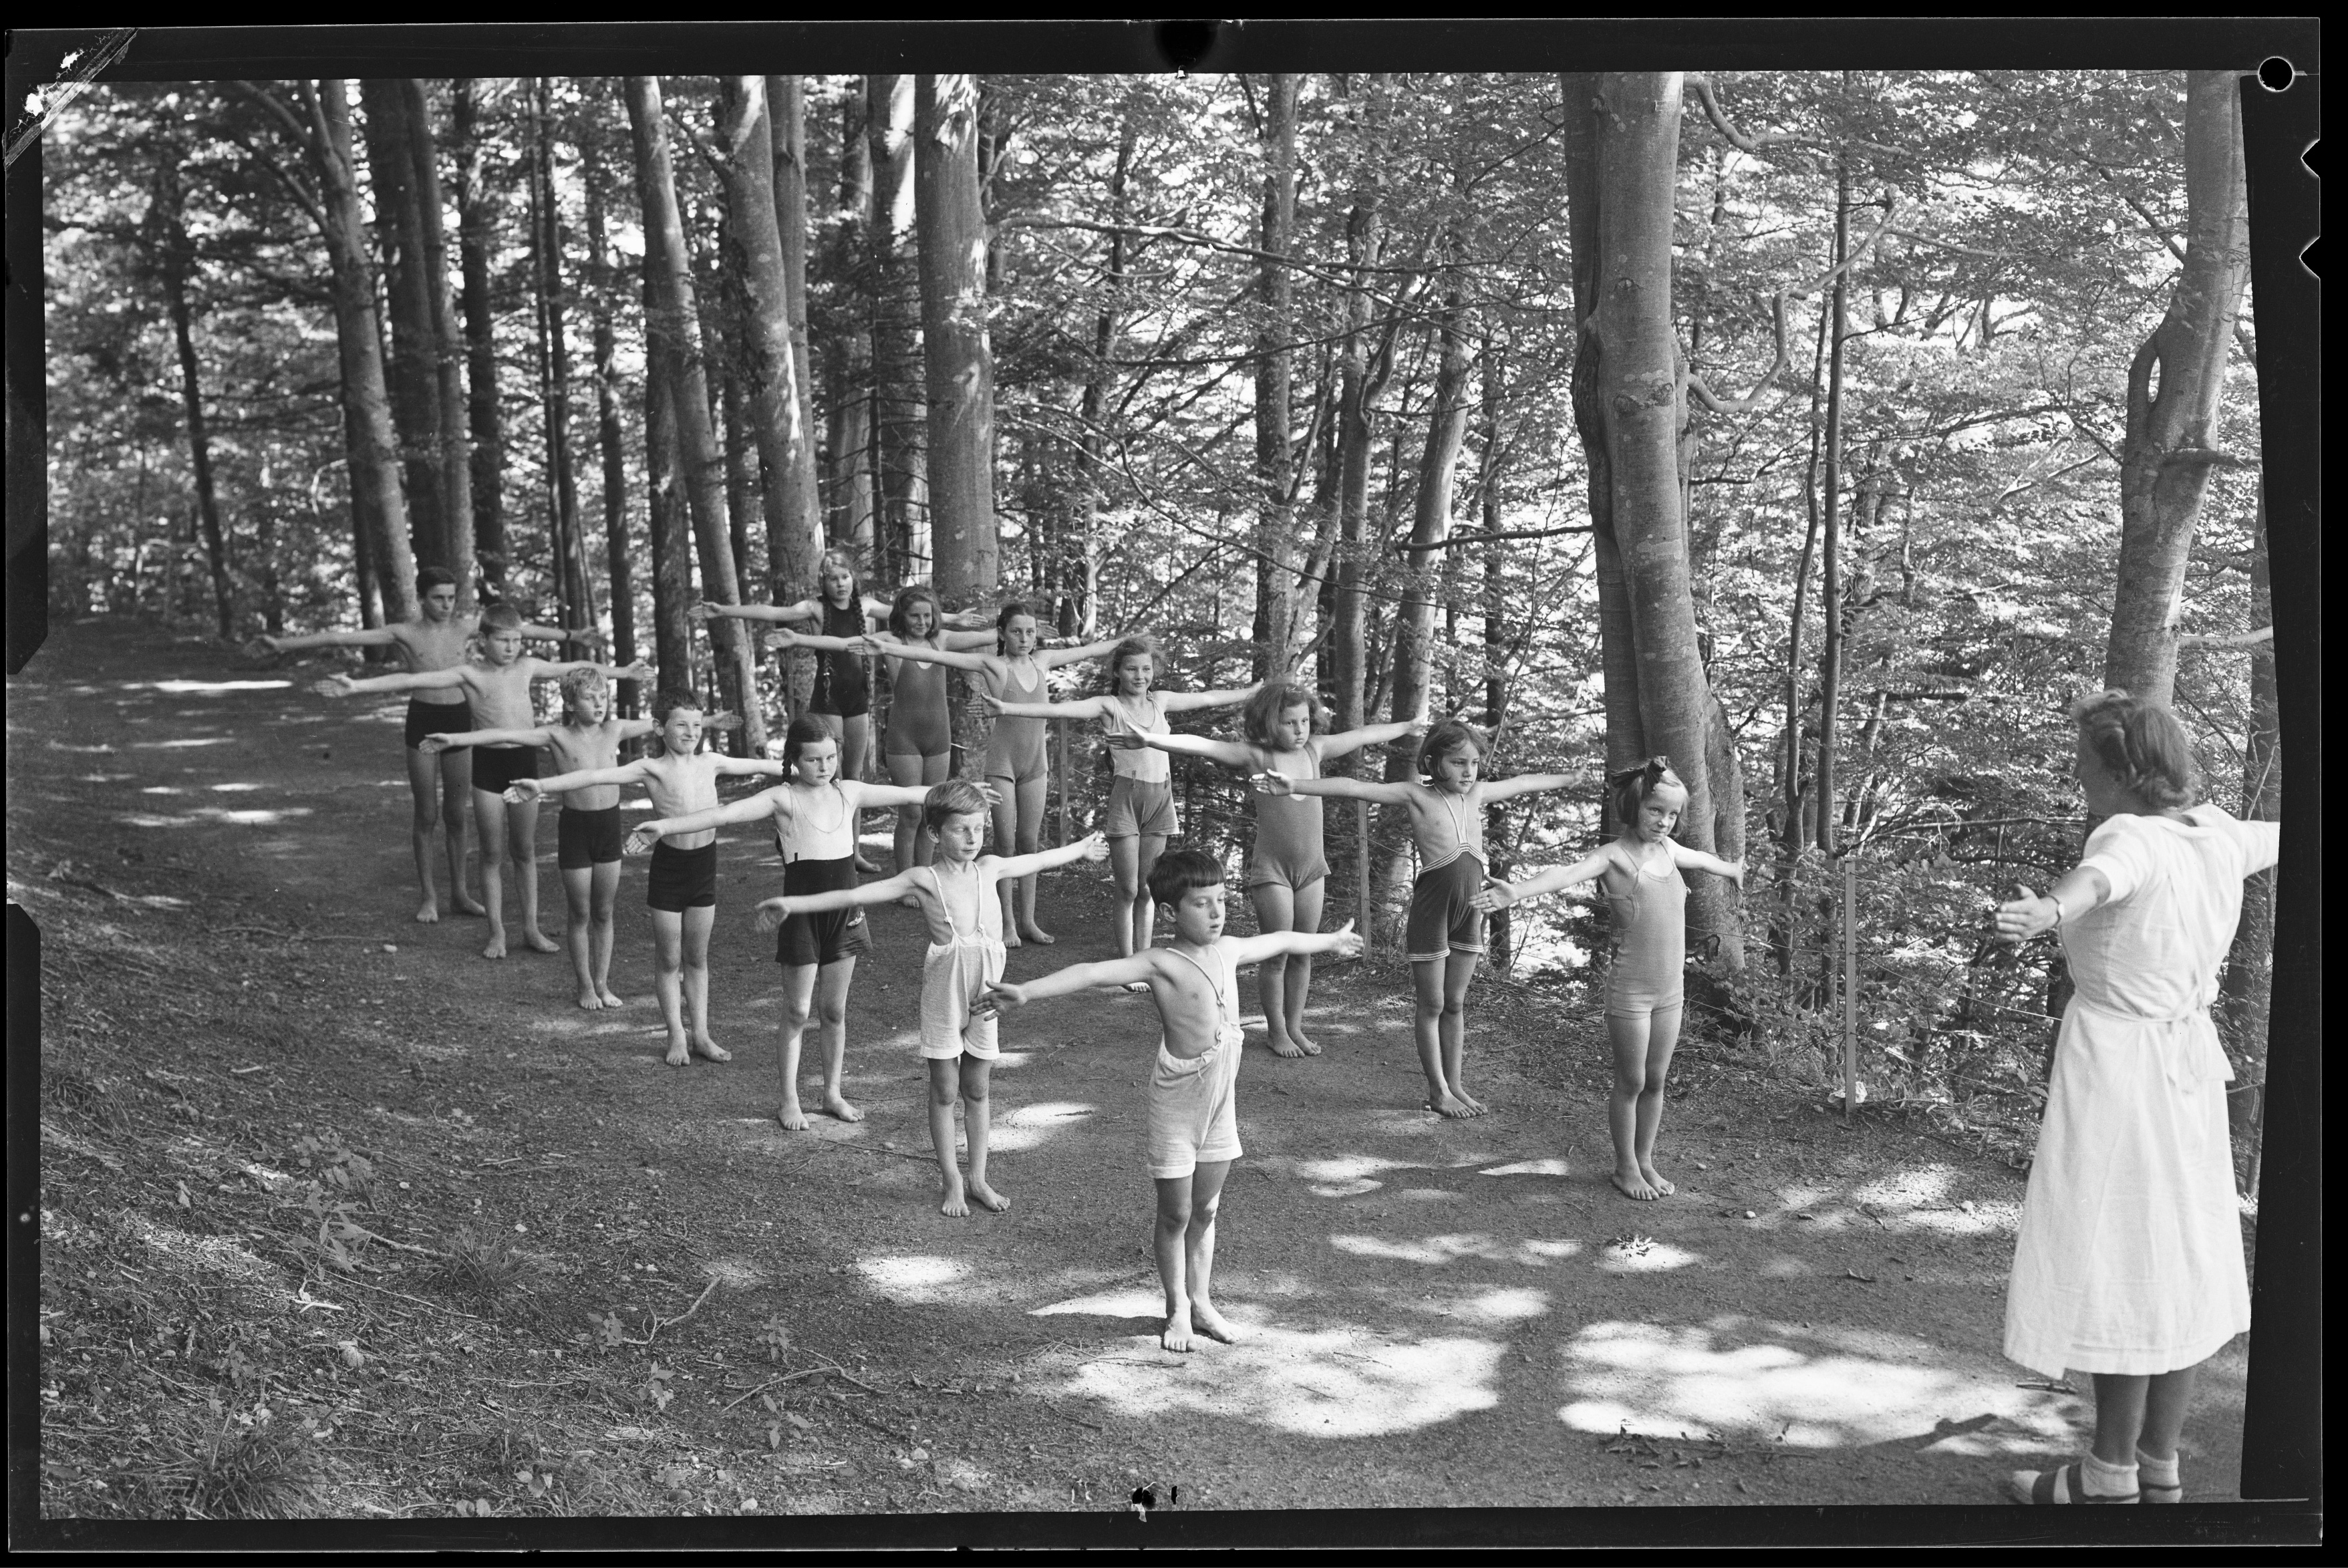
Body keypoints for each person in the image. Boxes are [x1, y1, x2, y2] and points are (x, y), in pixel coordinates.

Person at [1991, 689, 2279, 1506]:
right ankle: (2158, 1464)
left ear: (2120, 771)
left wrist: (2046, 908)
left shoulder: (2126, 832)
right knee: (2183, 1255)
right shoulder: (2216, 832)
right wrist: (2055, 905)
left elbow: (2100, 877)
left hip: (2120, 1069)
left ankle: (2109, 1475)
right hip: (2186, 1072)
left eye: (2086, 762)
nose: (2077, 774)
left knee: (2122, 1253)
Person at [980, 848, 1364, 1351]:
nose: (1217, 912)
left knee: (1206, 1209)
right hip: (1179, 1102)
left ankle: (1202, 1301)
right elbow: (1093, 971)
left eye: (1221, 900)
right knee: (1176, 1214)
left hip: (1219, 1102)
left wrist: (1331, 940)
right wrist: (1027, 992)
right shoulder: (1160, 962)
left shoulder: (1227, 950)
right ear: (1170, 912)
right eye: (1202, 904)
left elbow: (1281, 939)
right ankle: (1177, 1307)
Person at [757, 782, 1109, 1216]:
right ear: (936, 832)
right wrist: (793, 903)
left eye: (978, 828)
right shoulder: (922, 879)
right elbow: (853, 895)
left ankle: (978, 1176)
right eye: (961, 829)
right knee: (945, 1090)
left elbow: (1038, 858)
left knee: (978, 1087)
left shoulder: (992, 868)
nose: (972, 838)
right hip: (944, 999)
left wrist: (1081, 848)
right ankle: (953, 1181)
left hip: (987, 997)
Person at [627, 716, 980, 1131]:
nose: (824, 767)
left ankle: (832, 1092)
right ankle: (789, 1099)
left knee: (833, 1010)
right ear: (794, 760)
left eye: (830, 758)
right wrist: (663, 826)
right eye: (813, 760)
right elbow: (723, 815)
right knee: (796, 1011)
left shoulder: (849, 792)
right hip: (802, 916)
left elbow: (911, 792)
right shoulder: (783, 798)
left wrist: (966, 795)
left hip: (845, 914)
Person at [1258, 718, 1574, 1118]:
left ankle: (1456, 1084)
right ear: (1432, 761)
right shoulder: (1416, 795)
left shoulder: (1476, 796)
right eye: (1458, 762)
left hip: (1470, 912)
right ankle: (1437, 1090)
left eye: (1474, 763)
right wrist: (1295, 786)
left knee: (1456, 1003)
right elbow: (1355, 788)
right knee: (1433, 1002)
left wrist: (1570, 777)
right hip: (1432, 913)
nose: (1468, 771)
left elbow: (1526, 782)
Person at [1107, 680, 1427, 1056]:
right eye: (1290, 723)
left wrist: (1406, 727)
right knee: (1276, 954)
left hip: (1312, 869)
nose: (1299, 730)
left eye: (1305, 721)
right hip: (1273, 871)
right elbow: (1204, 745)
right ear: (1268, 722)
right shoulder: (1256, 756)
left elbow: (1361, 736)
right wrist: (1151, 739)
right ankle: (1276, 1030)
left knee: (1303, 951)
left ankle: (1295, 1027)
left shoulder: (1315, 750)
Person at [1473, 757, 1745, 1197]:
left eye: (1672, 814)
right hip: (1631, 994)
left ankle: (1645, 1161)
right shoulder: (1614, 856)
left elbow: (1701, 857)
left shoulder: (1670, 851)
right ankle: (1624, 1168)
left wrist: (1731, 869)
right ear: (1634, 805)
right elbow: (1564, 874)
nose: (1664, 821)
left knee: (1656, 1081)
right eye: (1655, 810)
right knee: (1632, 1080)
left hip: (1670, 994)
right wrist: (1516, 890)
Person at [263, 567, 593, 923]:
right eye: (438, 597)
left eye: (452, 597)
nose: (446, 604)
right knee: (426, 814)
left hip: (459, 721)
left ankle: (461, 894)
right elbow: (341, 636)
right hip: (423, 718)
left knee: (456, 813)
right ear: (421, 599)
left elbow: (521, 631)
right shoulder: (403, 632)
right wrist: (283, 644)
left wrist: (573, 634)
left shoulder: (468, 627)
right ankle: (429, 897)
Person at [314, 603, 646, 959]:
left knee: (525, 850)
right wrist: (355, 686)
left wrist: (624, 672)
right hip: (487, 765)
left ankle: (531, 929)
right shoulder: (469, 674)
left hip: (523, 761)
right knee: (491, 852)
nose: (511, 648)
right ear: (483, 639)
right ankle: (497, 933)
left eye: (517, 640)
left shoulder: (528, 667)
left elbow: (580, 668)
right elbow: (413, 680)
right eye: (503, 641)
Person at [511, 691, 785, 1065]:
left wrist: (808, 772)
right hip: (669, 870)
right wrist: (541, 786)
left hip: (704, 866)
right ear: (659, 728)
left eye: (697, 725)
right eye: (681, 725)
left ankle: (702, 1034)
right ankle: (676, 1035)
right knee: (670, 958)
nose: (691, 732)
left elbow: (766, 767)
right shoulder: (650, 768)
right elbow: (593, 775)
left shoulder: (712, 762)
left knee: (697, 956)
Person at [694, 550, 987, 871]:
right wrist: (730, 612)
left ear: (853, 579)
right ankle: (835, 846)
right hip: (832, 697)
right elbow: (791, 619)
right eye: (832, 578)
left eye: (845, 577)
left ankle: (858, 852)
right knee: (838, 777)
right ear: (824, 581)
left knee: (861, 779)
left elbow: (921, 613)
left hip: (862, 701)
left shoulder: (882, 612)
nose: (840, 583)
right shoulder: (845, 620)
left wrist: (957, 620)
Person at [859, 601, 1121, 945]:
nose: (1024, 638)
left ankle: (1028, 920)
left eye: (1030, 632)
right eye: (1016, 631)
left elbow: (1086, 650)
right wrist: (887, 647)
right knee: (1006, 845)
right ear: (1001, 633)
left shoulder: (1043, 661)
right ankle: (1007, 923)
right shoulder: (992, 665)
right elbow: (942, 658)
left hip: (1035, 766)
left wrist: (1124, 642)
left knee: (1030, 842)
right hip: (1002, 766)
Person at [984, 635, 1257, 965]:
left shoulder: (1162, 701)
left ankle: (1144, 959)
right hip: (1127, 799)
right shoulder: (1108, 706)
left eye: (1146, 669)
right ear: (1117, 672)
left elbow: (1209, 698)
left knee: (1148, 888)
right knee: (1128, 888)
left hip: (1161, 799)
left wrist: (1252, 692)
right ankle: (1128, 961)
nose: (1140, 676)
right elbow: (1058, 709)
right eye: (1131, 669)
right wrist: (1006, 707)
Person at [422, 667, 666, 1011]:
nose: (599, 703)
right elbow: (503, 735)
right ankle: (584, 985)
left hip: (609, 827)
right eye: (589, 697)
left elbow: (665, 721)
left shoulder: (616, 729)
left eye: (603, 696)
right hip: (576, 830)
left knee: (604, 910)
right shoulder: (556, 735)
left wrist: (711, 721)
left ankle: (602, 982)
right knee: (580, 912)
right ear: (569, 702)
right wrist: (456, 738)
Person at [761, 583, 994, 892]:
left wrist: (1025, 633)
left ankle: (925, 881)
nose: (922, 622)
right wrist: (798, 639)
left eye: (927, 616)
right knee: (911, 812)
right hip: (904, 739)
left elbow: (990, 636)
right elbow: (843, 643)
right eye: (915, 616)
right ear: (901, 616)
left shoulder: (943, 639)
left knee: (933, 811)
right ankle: (904, 883)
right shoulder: (888, 640)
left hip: (939, 737)